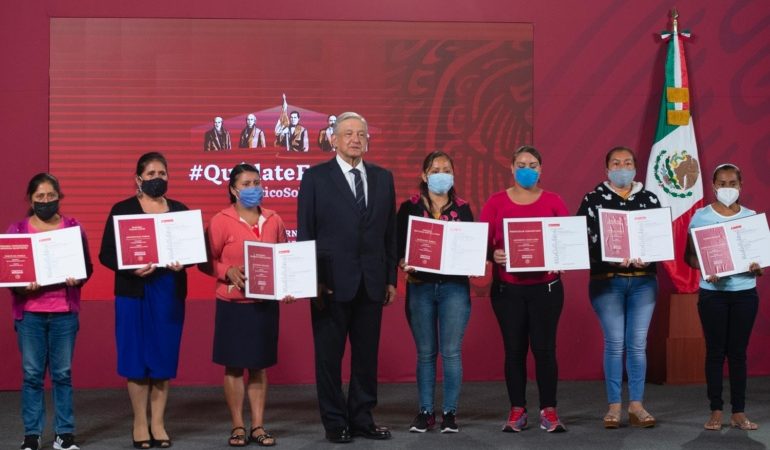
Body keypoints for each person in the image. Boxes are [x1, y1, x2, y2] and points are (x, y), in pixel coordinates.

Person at [297, 111, 397, 443]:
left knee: (366, 357)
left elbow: (389, 233)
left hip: (371, 282)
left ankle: (362, 418)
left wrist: (390, 278)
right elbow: (306, 233)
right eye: (349, 133)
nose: (356, 139)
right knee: (328, 358)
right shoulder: (315, 178)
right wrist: (312, 280)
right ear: (334, 139)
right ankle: (335, 422)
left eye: (361, 134)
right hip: (329, 283)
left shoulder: (383, 178)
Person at [200, 163, 294, 447]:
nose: (253, 188)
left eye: (257, 182)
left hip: (264, 304)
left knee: (258, 366)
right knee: (233, 367)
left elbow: (284, 259)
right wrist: (225, 271)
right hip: (232, 303)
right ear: (233, 189)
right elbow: (207, 261)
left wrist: (288, 286)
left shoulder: (274, 219)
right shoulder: (220, 221)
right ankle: (238, 426)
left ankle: (258, 425)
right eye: (246, 184)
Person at [99, 152, 188, 449]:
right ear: (138, 179)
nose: (156, 179)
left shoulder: (179, 210)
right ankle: (139, 422)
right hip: (133, 293)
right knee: (136, 359)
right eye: (150, 174)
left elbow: (189, 251)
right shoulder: (122, 209)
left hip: (167, 291)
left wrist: (182, 263)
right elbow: (106, 254)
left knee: (162, 359)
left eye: (162, 173)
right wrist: (130, 267)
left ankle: (158, 422)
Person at [480, 146, 568, 433]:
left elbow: (567, 242)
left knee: (545, 350)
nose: (527, 169)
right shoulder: (495, 202)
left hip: (547, 290)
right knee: (514, 351)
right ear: (512, 167)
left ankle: (549, 410)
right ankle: (517, 410)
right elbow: (481, 243)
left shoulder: (554, 201)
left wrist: (563, 258)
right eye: (521, 164)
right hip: (509, 291)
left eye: (532, 164)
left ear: (541, 169)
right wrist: (493, 254)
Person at [577, 146, 660, 429]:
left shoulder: (650, 198)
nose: (622, 167)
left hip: (643, 282)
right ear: (607, 169)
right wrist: (610, 257)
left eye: (627, 163)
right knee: (614, 344)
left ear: (635, 168)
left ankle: (636, 405)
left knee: (637, 345)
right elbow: (579, 242)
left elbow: (658, 239)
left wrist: (648, 254)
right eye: (616, 163)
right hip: (607, 282)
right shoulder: (592, 199)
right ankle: (614, 407)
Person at [7, 173, 92, 450]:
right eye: (40, 197)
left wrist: (76, 278)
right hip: (30, 314)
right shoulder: (17, 231)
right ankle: (31, 435)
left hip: (64, 312)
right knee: (32, 374)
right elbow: (11, 276)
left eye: (50, 196)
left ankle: (64, 435)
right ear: (31, 199)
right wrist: (22, 287)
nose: (45, 201)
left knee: (62, 374)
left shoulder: (72, 228)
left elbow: (86, 269)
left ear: (59, 197)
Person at [397, 151, 473, 434]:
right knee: (426, 353)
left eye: (447, 169)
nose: (442, 173)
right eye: (435, 169)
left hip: (454, 287)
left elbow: (471, 246)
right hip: (420, 287)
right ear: (424, 175)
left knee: (451, 352)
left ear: (453, 175)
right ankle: (425, 412)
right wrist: (402, 260)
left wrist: (475, 259)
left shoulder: (463, 209)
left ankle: (450, 413)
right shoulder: (409, 207)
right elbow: (396, 244)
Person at [685, 163, 763, 431]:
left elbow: (760, 262)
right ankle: (715, 410)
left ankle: (738, 412)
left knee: (738, 354)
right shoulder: (700, 217)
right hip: (712, 296)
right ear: (713, 185)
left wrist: (758, 267)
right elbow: (690, 257)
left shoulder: (752, 218)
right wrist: (707, 268)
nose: (727, 188)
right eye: (722, 183)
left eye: (732, 183)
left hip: (745, 294)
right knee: (715, 353)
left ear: (740, 186)